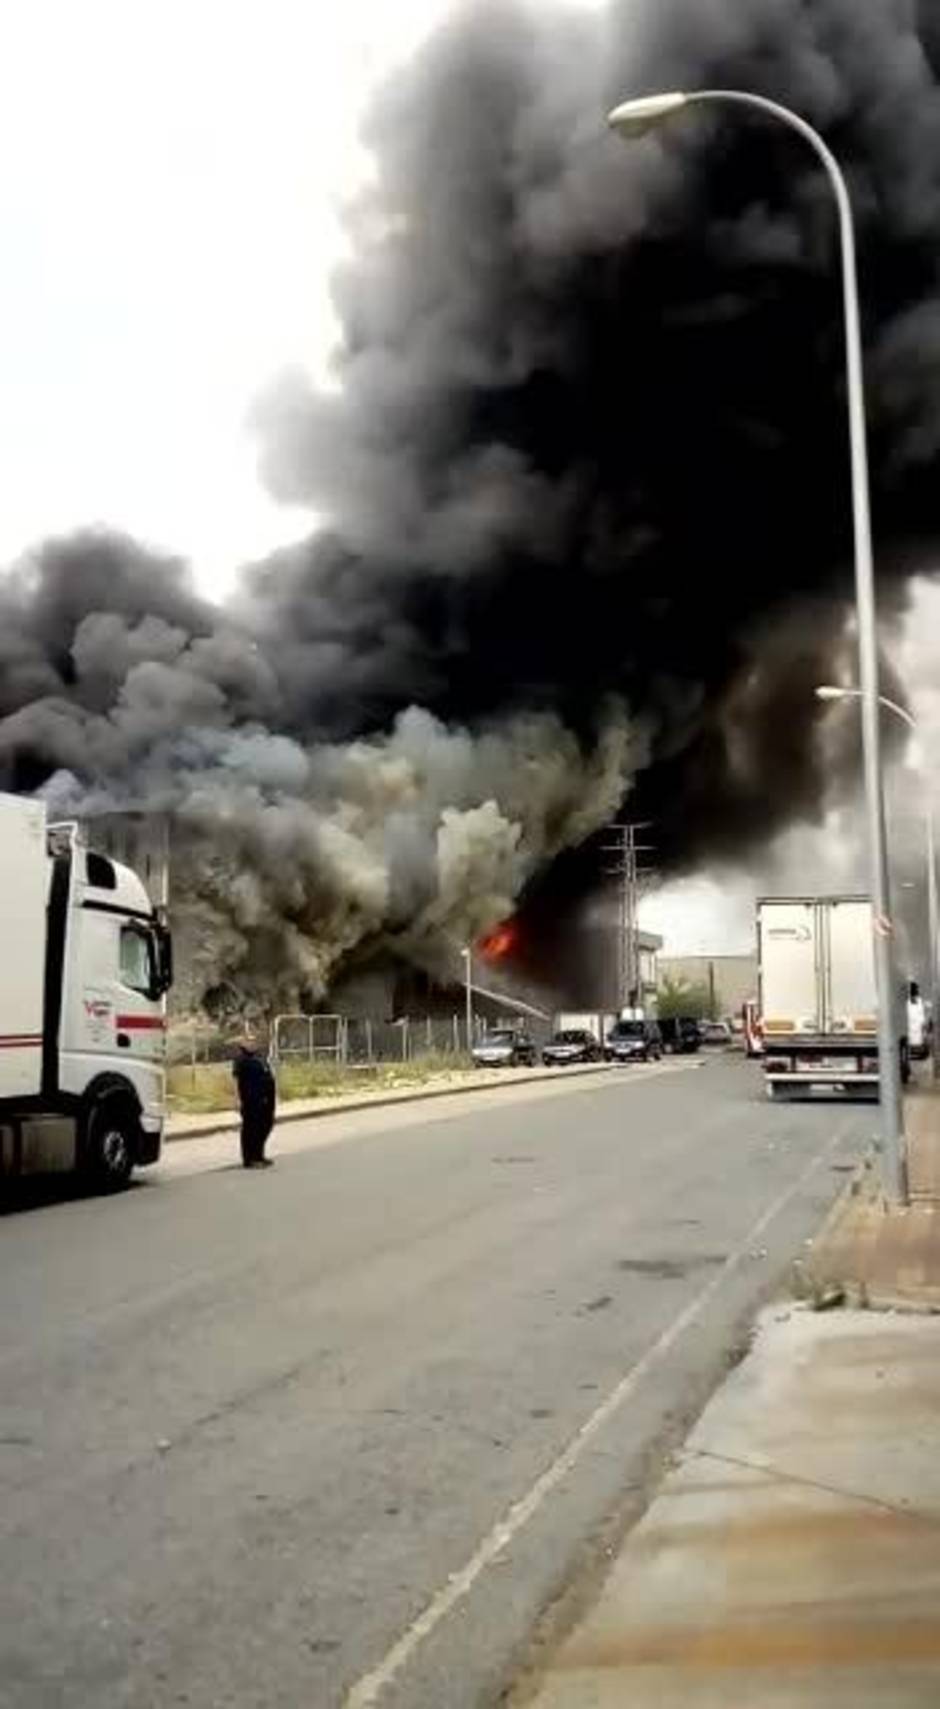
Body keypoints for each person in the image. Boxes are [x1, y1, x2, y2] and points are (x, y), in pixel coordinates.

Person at [232, 1034, 277, 1169]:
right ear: (243, 1044)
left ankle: (259, 1154)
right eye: (249, 1041)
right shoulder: (241, 1059)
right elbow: (235, 1080)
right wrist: (236, 1099)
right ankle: (250, 1158)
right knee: (251, 1128)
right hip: (250, 1099)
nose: (252, 1043)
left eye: (254, 1041)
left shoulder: (259, 1057)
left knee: (266, 1125)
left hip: (266, 1098)